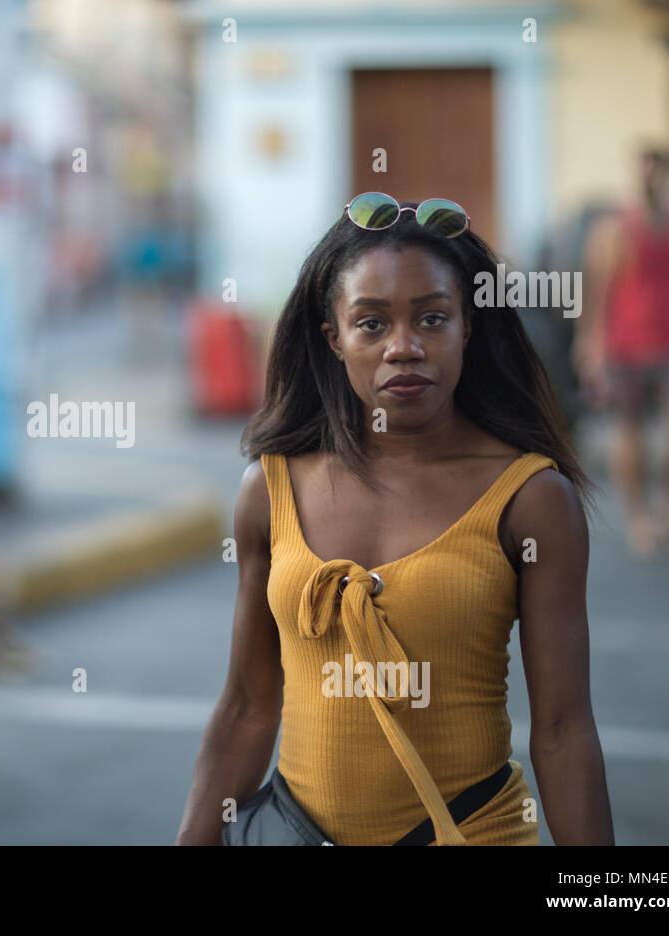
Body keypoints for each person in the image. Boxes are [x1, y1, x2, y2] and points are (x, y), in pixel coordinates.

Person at [175, 193, 613, 846]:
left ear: (468, 327)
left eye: (432, 319)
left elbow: (562, 728)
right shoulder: (269, 490)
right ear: (335, 339)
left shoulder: (530, 498)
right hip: (294, 832)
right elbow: (246, 706)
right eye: (372, 324)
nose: (404, 348)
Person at [574, 147, 669, 559]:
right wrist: (591, 342)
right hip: (627, 344)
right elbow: (598, 289)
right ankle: (639, 518)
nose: (651, 177)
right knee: (630, 432)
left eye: (659, 170)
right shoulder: (614, 227)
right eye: (645, 169)